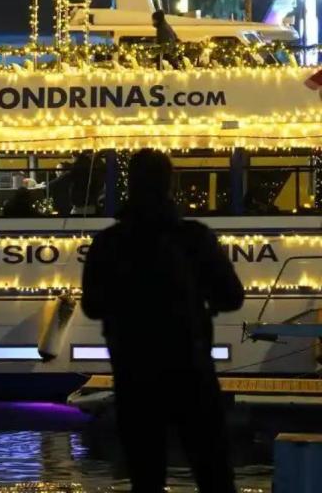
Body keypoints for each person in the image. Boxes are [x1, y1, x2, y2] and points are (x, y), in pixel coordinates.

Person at [81, 149, 243, 493]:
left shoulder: (108, 243)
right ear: (170, 183)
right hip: (191, 370)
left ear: (130, 184)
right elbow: (232, 297)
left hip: (134, 374)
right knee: (213, 472)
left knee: (145, 476)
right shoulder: (194, 237)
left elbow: (92, 307)